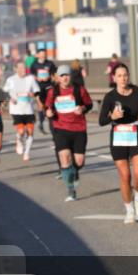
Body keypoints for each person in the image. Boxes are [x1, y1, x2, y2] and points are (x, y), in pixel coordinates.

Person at [99, 63, 138, 224]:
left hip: (135, 133)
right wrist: (112, 117)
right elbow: (101, 121)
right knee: (125, 176)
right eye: (119, 76)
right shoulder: (110, 97)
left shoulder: (137, 92)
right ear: (114, 78)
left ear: (129, 76)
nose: (123, 78)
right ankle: (129, 210)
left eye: (125, 75)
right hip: (118, 136)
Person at [45, 65, 94, 201]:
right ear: (58, 78)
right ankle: (71, 191)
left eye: (67, 75)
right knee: (65, 158)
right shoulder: (53, 92)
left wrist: (82, 108)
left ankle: (75, 170)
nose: (65, 78)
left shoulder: (79, 90)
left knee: (79, 161)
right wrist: (48, 112)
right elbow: (48, 107)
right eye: (62, 75)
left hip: (79, 129)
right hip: (61, 128)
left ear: (71, 76)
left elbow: (89, 104)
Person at [4, 61, 41, 161]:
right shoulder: (11, 80)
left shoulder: (31, 79)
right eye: (20, 68)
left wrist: (33, 95)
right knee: (21, 131)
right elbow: (4, 92)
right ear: (15, 69)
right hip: (16, 109)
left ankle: (27, 152)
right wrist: (10, 99)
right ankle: (19, 140)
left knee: (30, 131)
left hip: (28, 109)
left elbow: (37, 91)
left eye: (24, 68)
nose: (22, 70)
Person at [30, 49, 57, 134]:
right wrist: (37, 78)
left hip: (48, 86)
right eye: (41, 54)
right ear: (37, 55)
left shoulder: (50, 64)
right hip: (38, 87)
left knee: (48, 105)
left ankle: (51, 123)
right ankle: (41, 123)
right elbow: (31, 75)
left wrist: (49, 77)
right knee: (40, 105)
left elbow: (54, 75)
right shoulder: (34, 65)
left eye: (44, 54)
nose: (43, 56)